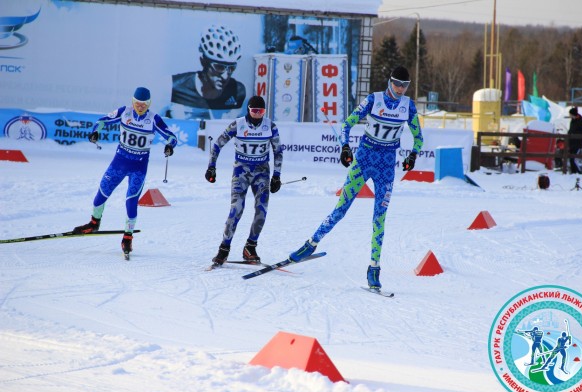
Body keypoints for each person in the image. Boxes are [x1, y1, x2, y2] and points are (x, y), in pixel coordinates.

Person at [288, 66, 424, 290]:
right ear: (389, 81)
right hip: (363, 160)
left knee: (379, 218)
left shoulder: (408, 106)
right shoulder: (374, 100)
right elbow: (347, 124)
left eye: (405, 85)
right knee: (341, 209)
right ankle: (310, 244)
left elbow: (418, 137)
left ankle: (373, 269)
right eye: (397, 84)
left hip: (386, 167)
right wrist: (345, 148)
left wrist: (413, 154)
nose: (400, 89)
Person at [73, 87, 177, 257]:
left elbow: (172, 137)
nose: (140, 107)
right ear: (132, 101)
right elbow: (102, 121)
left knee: (131, 201)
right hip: (118, 164)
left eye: (144, 104)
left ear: (149, 104)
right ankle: (94, 223)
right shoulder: (124, 112)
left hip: (138, 168)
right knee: (102, 192)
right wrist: (95, 132)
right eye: (137, 103)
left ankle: (127, 237)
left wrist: (169, 146)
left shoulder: (153, 119)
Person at [205, 96, 283, 266]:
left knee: (261, 210)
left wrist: (277, 175)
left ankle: (250, 247)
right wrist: (211, 167)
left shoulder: (270, 126)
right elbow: (218, 144)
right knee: (236, 209)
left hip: (261, 173)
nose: (257, 115)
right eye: (254, 111)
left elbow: (278, 151)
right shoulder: (238, 124)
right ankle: (224, 248)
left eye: (260, 111)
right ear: (248, 109)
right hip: (241, 172)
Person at [161, 24, 246, 121]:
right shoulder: (173, 86)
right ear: (203, 61)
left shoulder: (237, 91)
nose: (225, 76)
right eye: (219, 67)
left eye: (231, 68)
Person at [567, 107, 582, 174]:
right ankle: (574, 172)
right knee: (571, 158)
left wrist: (575, 134)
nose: (569, 116)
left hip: (577, 143)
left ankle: (577, 172)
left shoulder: (580, 121)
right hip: (572, 142)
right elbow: (571, 130)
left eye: (570, 114)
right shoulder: (572, 121)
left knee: (573, 158)